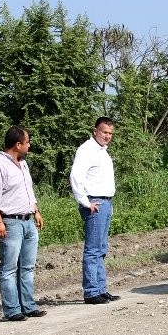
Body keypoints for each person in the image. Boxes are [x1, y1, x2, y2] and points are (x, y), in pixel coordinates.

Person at [0, 126, 47, 321]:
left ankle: (28, 306)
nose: (29, 145)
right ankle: (12, 310)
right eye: (27, 142)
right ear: (18, 144)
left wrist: (36, 211)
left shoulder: (23, 164)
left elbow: (28, 190)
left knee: (27, 267)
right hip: (10, 222)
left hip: (28, 220)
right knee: (9, 268)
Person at [69, 117, 120, 305]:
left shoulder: (103, 152)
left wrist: (109, 204)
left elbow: (102, 180)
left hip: (104, 203)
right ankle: (91, 292)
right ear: (95, 131)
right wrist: (85, 202)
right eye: (104, 132)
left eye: (110, 133)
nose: (107, 136)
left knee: (101, 248)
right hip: (94, 203)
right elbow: (76, 177)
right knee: (92, 250)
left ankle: (101, 289)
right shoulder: (86, 150)